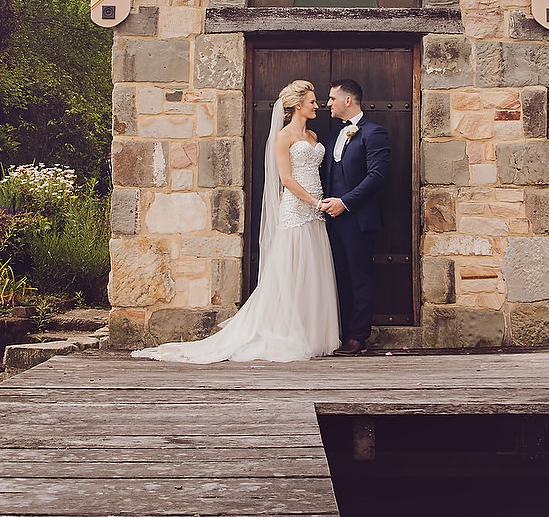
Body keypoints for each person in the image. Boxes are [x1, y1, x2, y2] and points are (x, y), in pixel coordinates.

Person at [132, 80, 340, 363]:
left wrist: (319, 203)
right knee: (291, 271)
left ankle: (308, 332)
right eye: (312, 102)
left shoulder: (315, 137)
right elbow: (287, 179)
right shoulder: (283, 137)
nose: (317, 106)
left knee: (313, 271)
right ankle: (284, 332)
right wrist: (314, 202)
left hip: (315, 210)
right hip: (297, 209)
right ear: (296, 106)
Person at [320, 78, 390, 356]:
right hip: (329, 218)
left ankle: (358, 336)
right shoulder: (331, 134)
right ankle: (339, 331)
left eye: (332, 99)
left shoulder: (375, 133)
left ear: (347, 101)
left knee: (359, 276)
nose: (328, 104)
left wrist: (345, 203)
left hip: (358, 218)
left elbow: (377, 176)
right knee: (336, 276)